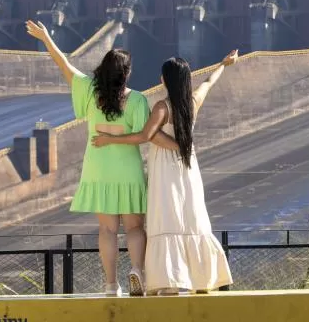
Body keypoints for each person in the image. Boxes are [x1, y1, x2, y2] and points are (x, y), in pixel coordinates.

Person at [26, 20, 177, 297]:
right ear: (126, 73)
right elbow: (147, 134)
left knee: (107, 230)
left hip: (97, 171)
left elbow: (65, 65)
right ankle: (136, 271)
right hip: (128, 170)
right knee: (134, 227)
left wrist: (47, 38)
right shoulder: (137, 100)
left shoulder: (90, 92)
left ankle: (110, 284)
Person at [92, 52, 237, 295]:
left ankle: (168, 283)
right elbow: (209, 82)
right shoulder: (193, 101)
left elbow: (143, 136)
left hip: (165, 169)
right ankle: (202, 278)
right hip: (188, 168)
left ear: (165, 80)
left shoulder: (162, 108)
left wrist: (110, 139)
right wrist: (223, 64)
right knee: (191, 217)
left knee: (166, 218)